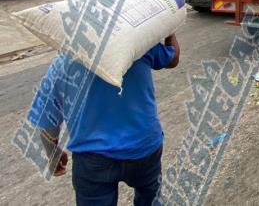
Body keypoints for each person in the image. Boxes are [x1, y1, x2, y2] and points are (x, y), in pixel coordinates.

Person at [27, 35, 180, 206]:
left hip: (92, 158)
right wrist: (169, 31)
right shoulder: (139, 46)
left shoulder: (63, 63)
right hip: (144, 149)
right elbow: (172, 58)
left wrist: (53, 154)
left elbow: (47, 121)